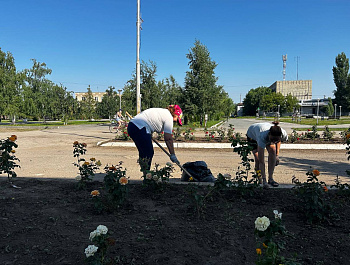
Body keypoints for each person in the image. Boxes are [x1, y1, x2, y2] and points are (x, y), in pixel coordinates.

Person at [127, 105, 183, 171]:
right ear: (175, 114)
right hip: (140, 127)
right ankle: (147, 175)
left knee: (144, 153)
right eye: (177, 119)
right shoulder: (169, 117)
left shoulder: (162, 112)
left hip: (132, 126)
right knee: (148, 152)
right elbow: (168, 138)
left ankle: (145, 173)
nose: (175, 122)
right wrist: (172, 154)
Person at [246, 121, 288, 188]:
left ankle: (271, 179)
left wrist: (277, 155)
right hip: (252, 135)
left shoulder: (283, 133)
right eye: (273, 139)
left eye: (276, 139)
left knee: (272, 152)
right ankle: (261, 180)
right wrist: (264, 181)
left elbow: (278, 141)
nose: (274, 141)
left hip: (264, 133)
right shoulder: (262, 136)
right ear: (269, 134)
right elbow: (261, 161)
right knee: (258, 159)